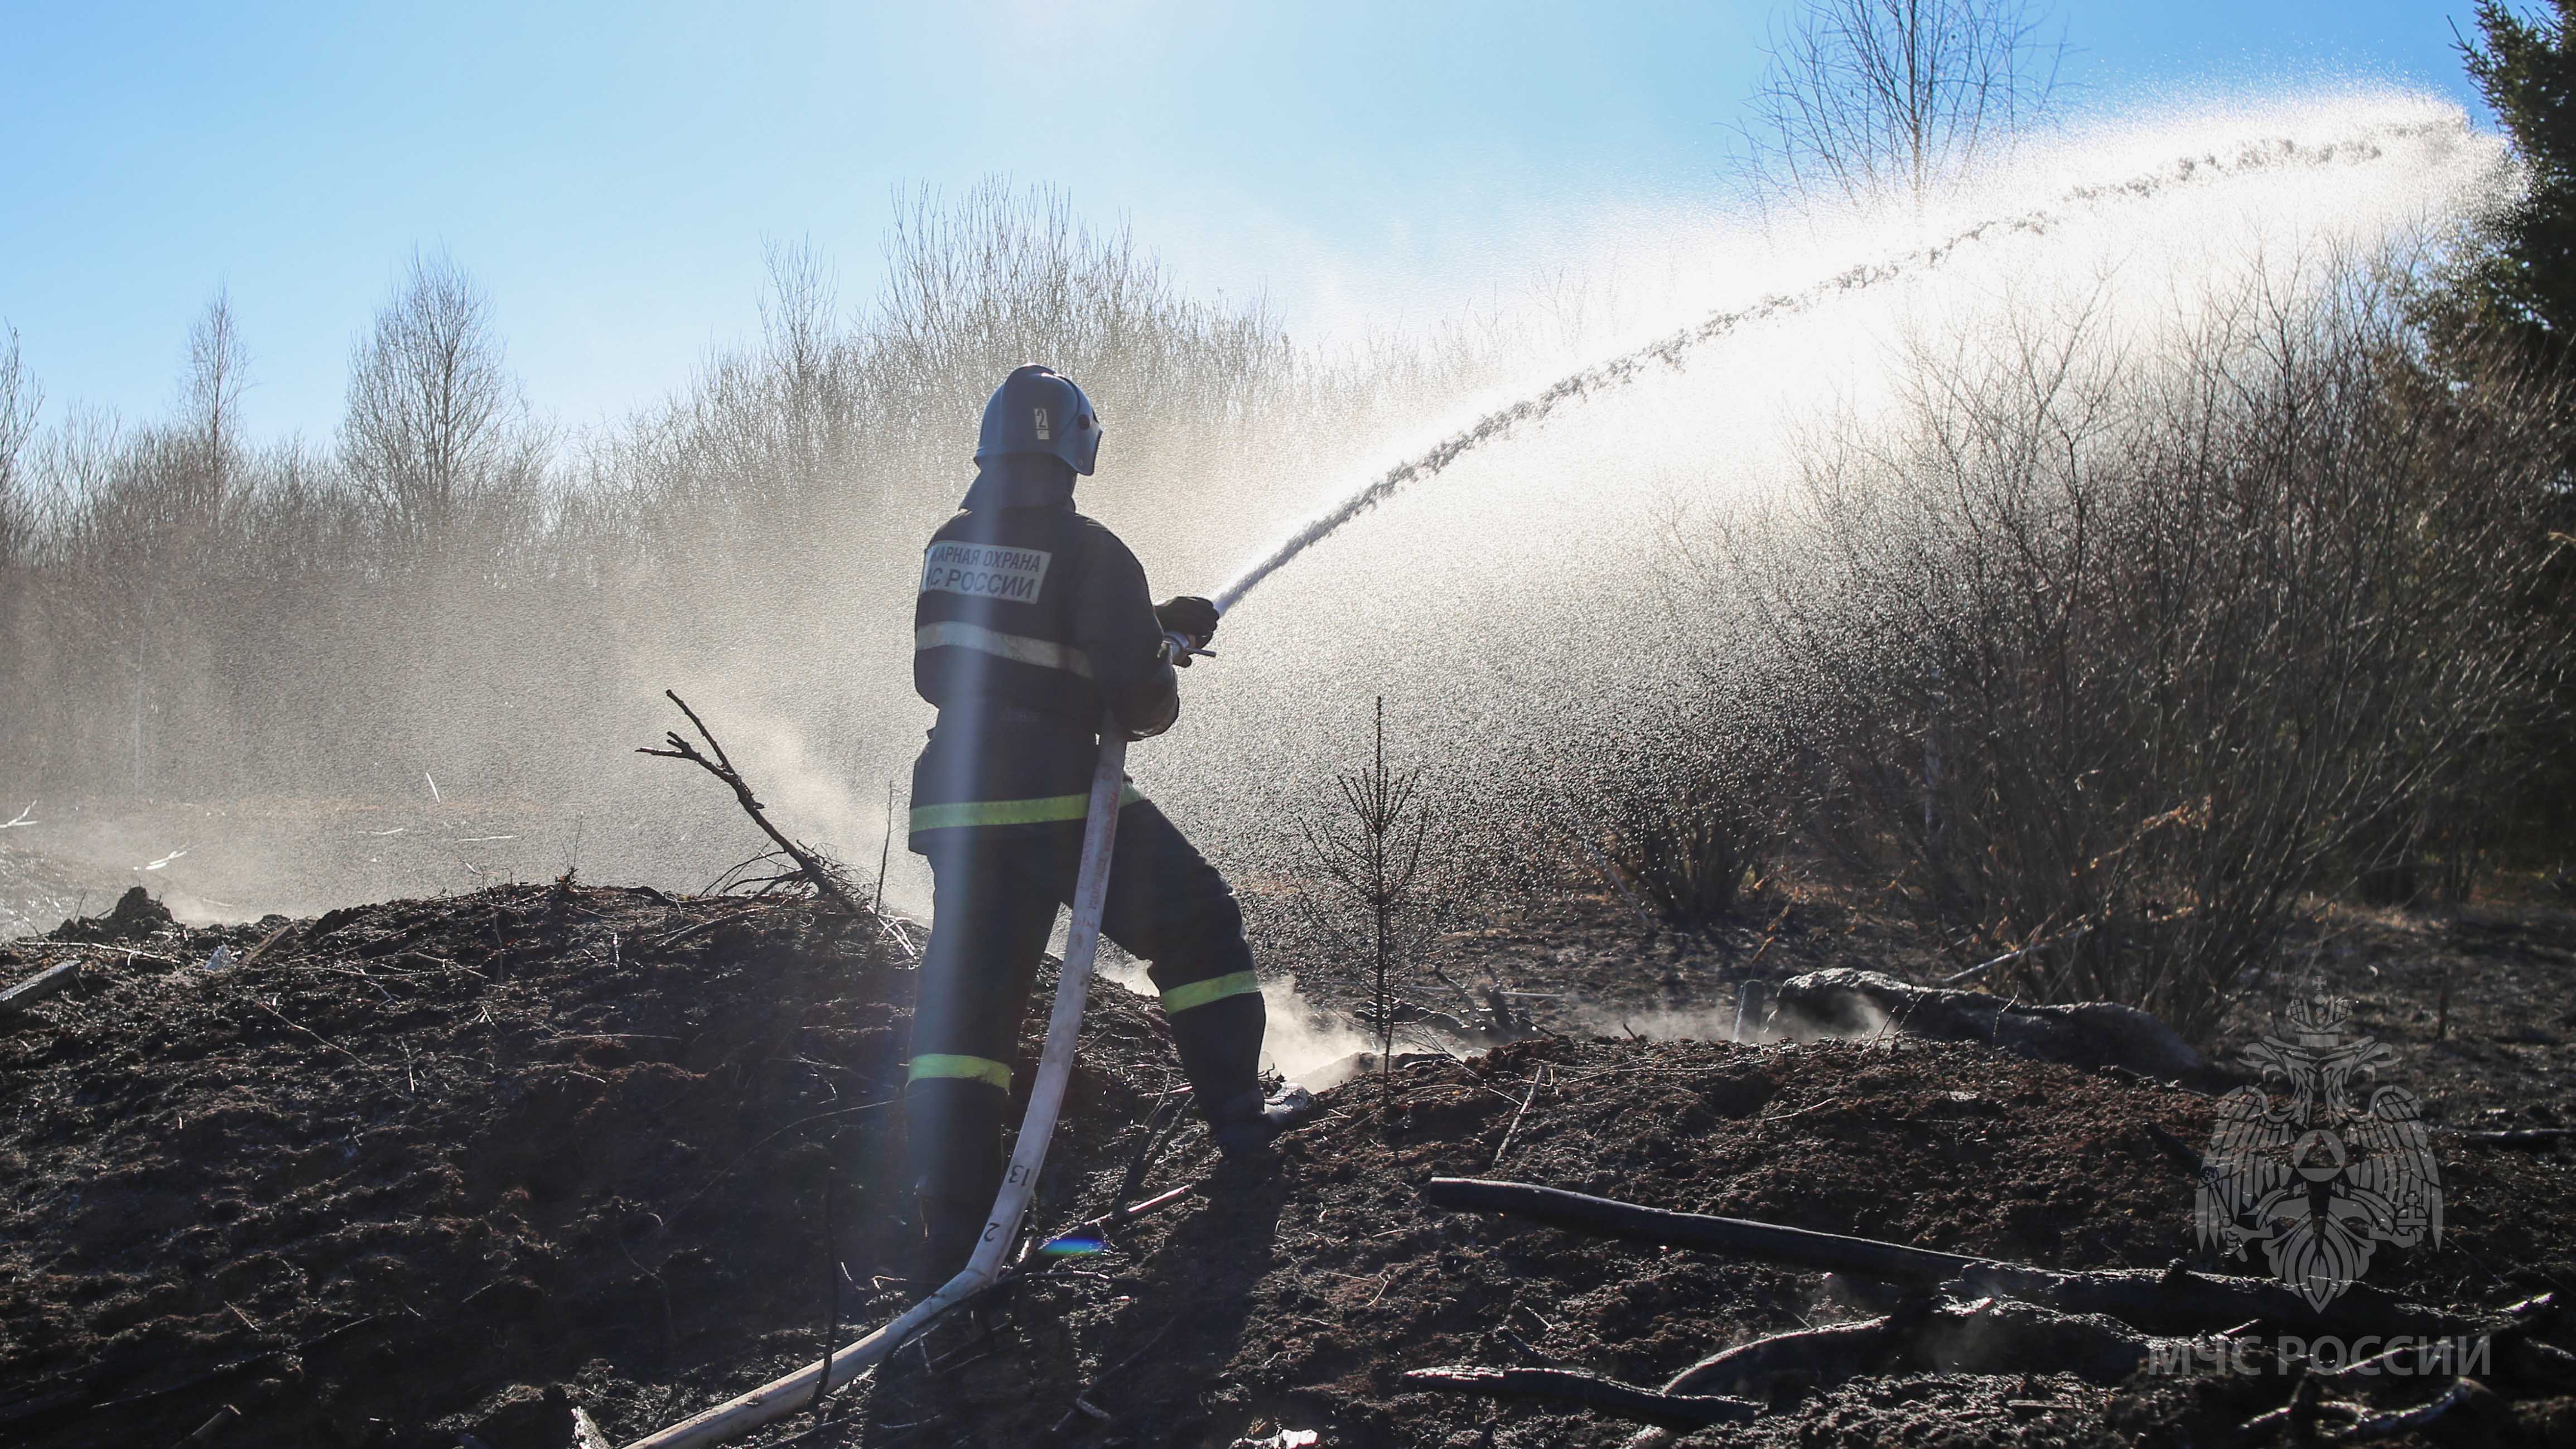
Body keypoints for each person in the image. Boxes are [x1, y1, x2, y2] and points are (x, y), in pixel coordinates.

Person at [902, 364, 1305, 1277]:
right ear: (1077, 448)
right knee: (1198, 919)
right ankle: (1241, 1120)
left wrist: (1142, 626)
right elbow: (1138, 703)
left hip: (956, 807)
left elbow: (960, 667)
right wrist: (1160, 655)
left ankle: (958, 1229)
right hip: (1053, 802)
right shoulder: (1093, 551)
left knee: (968, 1010)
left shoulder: (948, 543)